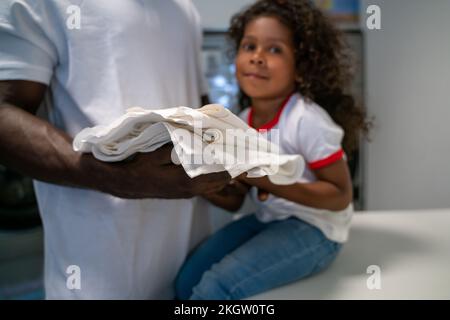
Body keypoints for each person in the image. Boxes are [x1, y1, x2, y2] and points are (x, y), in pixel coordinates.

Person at [0, 0, 231, 299]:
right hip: (101, 273)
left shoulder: (184, 8)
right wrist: (113, 175)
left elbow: (197, 106)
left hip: (189, 263)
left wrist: (226, 165)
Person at [175, 0, 371, 300]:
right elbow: (235, 201)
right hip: (270, 219)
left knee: (215, 287)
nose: (257, 58)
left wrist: (263, 180)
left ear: (301, 67)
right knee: (187, 280)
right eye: (249, 46)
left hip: (316, 228)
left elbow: (340, 196)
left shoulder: (307, 121)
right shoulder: (242, 122)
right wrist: (192, 176)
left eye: (275, 49)